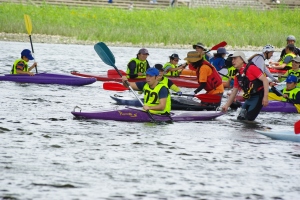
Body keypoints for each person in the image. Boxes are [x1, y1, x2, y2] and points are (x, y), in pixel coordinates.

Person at [222, 52, 269, 121]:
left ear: (242, 60)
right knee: (240, 119)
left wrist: (265, 97)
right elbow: (234, 92)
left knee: (248, 120)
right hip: (249, 98)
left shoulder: (252, 68)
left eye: (235, 58)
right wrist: (226, 105)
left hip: (258, 97)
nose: (233, 61)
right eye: (232, 59)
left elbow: (265, 81)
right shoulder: (237, 75)